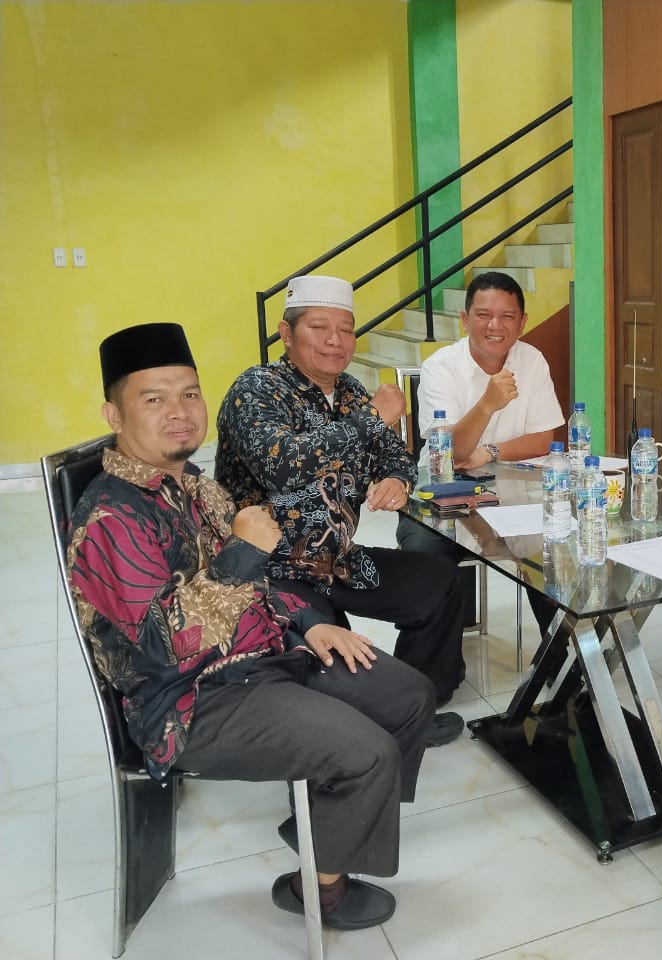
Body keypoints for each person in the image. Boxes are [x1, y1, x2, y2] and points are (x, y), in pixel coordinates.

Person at [68, 323, 439, 930]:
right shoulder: (112, 519)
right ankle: (320, 886)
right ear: (115, 414)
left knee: (408, 695)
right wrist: (241, 554)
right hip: (190, 699)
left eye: (189, 394)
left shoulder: (198, 489)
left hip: (263, 656)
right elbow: (157, 651)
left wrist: (308, 624)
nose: (179, 411)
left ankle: (331, 824)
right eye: (154, 398)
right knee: (366, 751)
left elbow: (263, 582)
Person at [215, 275, 467, 730]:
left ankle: (421, 702)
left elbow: (397, 457)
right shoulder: (256, 389)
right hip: (274, 575)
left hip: (339, 562)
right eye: (319, 327)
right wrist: (372, 418)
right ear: (286, 333)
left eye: (346, 329)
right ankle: (379, 713)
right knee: (341, 673)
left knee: (441, 582)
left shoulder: (350, 391)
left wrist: (397, 479)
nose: (336, 340)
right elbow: (283, 465)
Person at [396, 271, 565, 638]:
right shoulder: (440, 366)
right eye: (484, 315)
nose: (495, 326)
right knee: (425, 553)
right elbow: (451, 453)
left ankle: (563, 658)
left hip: (513, 494)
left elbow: (543, 439)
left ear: (522, 322)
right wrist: (487, 404)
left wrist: (490, 451)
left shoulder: (531, 360)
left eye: (507, 316)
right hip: (440, 495)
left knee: (557, 548)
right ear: (464, 319)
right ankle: (432, 663)